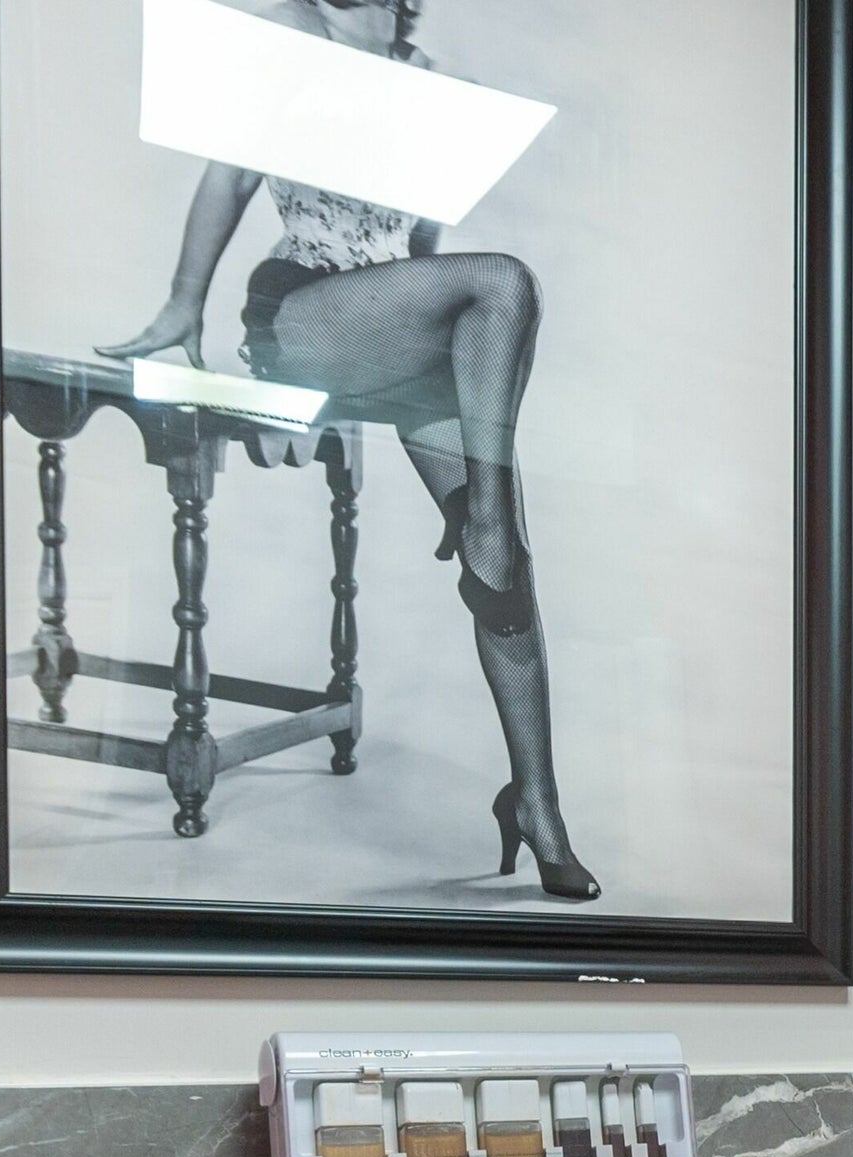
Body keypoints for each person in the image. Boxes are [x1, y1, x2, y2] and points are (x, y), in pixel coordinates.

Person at [103, 0, 596, 899]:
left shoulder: (428, 76)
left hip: (388, 325)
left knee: (509, 573)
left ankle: (537, 802)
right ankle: (482, 522)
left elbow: (422, 245)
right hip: (308, 313)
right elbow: (227, 178)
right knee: (504, 283)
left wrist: (430, 319)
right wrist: (184, 306)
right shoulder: (297, 40)